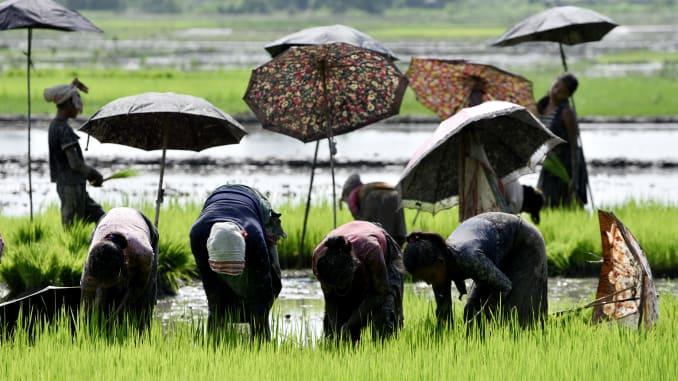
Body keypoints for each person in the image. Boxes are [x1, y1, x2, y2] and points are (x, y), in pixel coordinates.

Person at [403, 212, 547, 329]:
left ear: (440, 263)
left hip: (524, 244)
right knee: (471, 312)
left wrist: (487, 312)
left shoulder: (469, 258)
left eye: (430, 277)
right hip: (495, 248)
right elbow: (444, 314)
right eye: (424, 280)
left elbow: (504, 286)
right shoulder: (439, 268)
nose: (429, 283)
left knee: (519, 318)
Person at [189, 185, 285, 340]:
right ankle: (215, 345)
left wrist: (258, 315)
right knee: (216, 305)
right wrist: (218, 309)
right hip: (216, 200)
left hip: (254, 201)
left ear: (244, 237)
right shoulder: (198, 235)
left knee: (271, 284)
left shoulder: (254, 236)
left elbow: (264, 285)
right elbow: (210, 285)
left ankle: (262, 346)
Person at [313, 220, 404, 343]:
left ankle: (384, 355)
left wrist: (351, 323)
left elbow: (380, 292)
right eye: (337, 287)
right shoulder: (320, 261)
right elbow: (330, 299)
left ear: (354, 267)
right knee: (334, 330)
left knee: (384, 314)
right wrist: (337, 330)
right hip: (356, 248)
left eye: (344, 285)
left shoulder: (370, 250)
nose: (342, 291)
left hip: (385, 255)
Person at [80, 207, 159, 330]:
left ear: (126, 263)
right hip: (106, 223)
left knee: (143, 303)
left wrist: (121, 310)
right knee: (102, 298)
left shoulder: (143, 253)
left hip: (140, 225)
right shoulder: (92, 260)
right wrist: (87, 324)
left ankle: (141, 335)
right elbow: (86, 299)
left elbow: (139, 287)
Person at [45, 78, 104, 226]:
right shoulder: (63, 129)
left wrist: (88, 177)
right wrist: (93, 174)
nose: (79, 107)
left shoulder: (56, 126)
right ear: (67, 104)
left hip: (73, 184)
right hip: (70, 187)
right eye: (76, 103)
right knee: (71, 226)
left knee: (99, 215)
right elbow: (75, 163)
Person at [537, 73, 588, 207]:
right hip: (549, 162)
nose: (556, 91)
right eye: (556, 86)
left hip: (564, 166)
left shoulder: (566, 113)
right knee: (544, 202)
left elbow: (573, 146)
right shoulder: (541, 107)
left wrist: (575, 178)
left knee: (563, 203)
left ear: (567, 96)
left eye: (561, 91)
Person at [341, 174, 407, 246]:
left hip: (381, 205)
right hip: (396, 199)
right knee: (395, 237)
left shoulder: (363, 196)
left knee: (381, 237)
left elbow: (365, 224)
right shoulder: (369, 189)